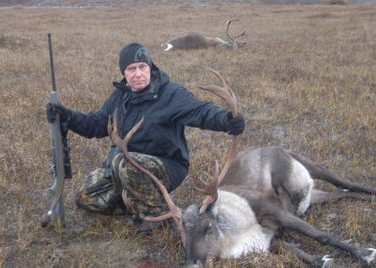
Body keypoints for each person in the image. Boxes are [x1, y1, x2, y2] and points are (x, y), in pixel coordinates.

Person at [46, 42, 245, 233]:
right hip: (125, 167)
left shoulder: (172, 94)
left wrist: (226, 120)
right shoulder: (119, 97)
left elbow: (201, 111)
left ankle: (160, 214)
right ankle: (137, 205)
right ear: (124, 73)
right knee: (86, 198)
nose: (138, 74)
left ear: (150, 67)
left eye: (143, 67)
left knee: (123, 162)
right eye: (131, 69)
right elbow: (96, 124)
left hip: (166, 166)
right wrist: (68, 117)